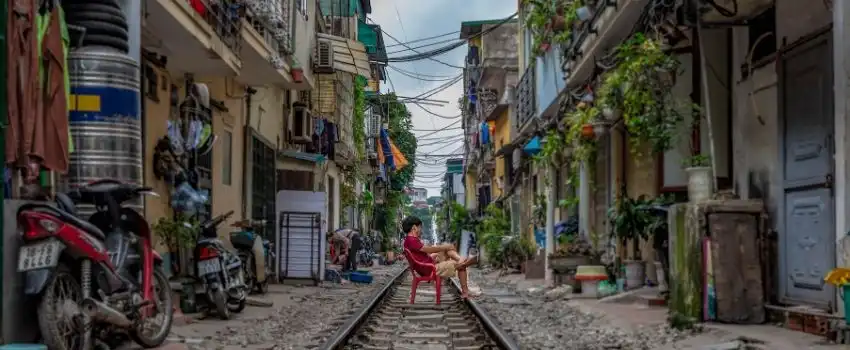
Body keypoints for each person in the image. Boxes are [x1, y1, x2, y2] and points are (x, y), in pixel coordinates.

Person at [401, 216, 479, 299]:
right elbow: (429, 250)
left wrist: (440, 250)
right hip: (430, 269)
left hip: (427, 265)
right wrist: (445, 247)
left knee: (446, 250)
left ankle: (460, 260)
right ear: (414, 227)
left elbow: (420, 256)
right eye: (420, 227)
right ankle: (465, 289)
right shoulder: (412, 240)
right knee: (460, 265)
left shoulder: (409, 240)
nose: (421, 230)